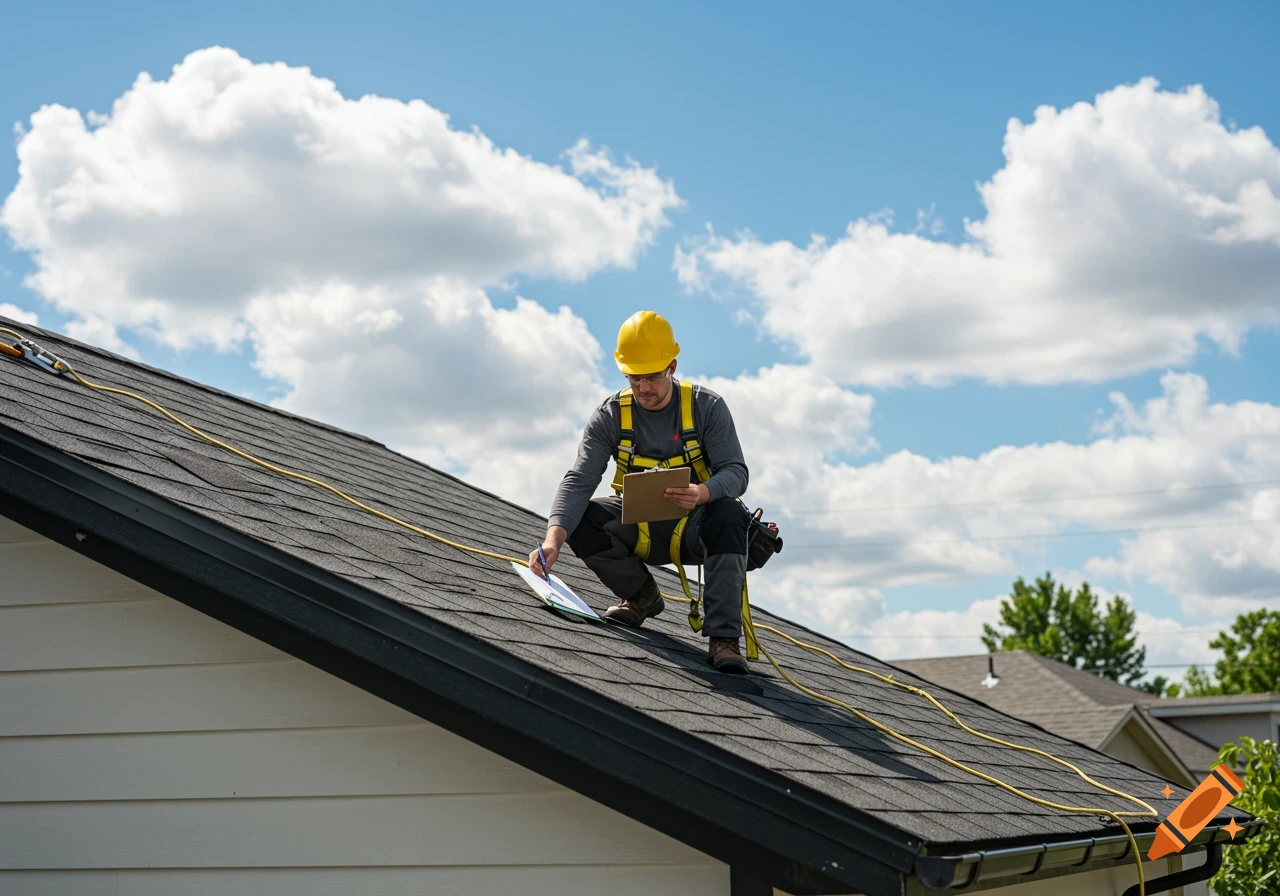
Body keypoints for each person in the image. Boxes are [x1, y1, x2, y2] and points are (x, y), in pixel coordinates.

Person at [529, 310, 753, 673]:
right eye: (634, 378)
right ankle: (641, 596)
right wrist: (553, 540)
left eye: (651, 376)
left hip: (699, 529)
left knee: (729, 513)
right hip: (642, 529)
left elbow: (736, 472)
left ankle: (724, 640)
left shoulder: (705, 407)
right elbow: (579, 479)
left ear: (673, 366)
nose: (643, 387)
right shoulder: (612, 414)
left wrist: (703, 493)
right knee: (581, 518)